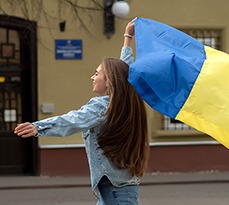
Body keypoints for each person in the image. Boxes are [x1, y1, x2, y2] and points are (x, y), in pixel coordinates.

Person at [14, 20, 149, 205]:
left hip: (115, 193)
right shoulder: (126, 101)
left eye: (96, 73)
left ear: (109, 81)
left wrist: (38, 127)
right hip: (120, 188)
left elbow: (72, 120)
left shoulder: (103, 106)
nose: (92, 77)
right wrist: (127, 38)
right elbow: (126, 71)